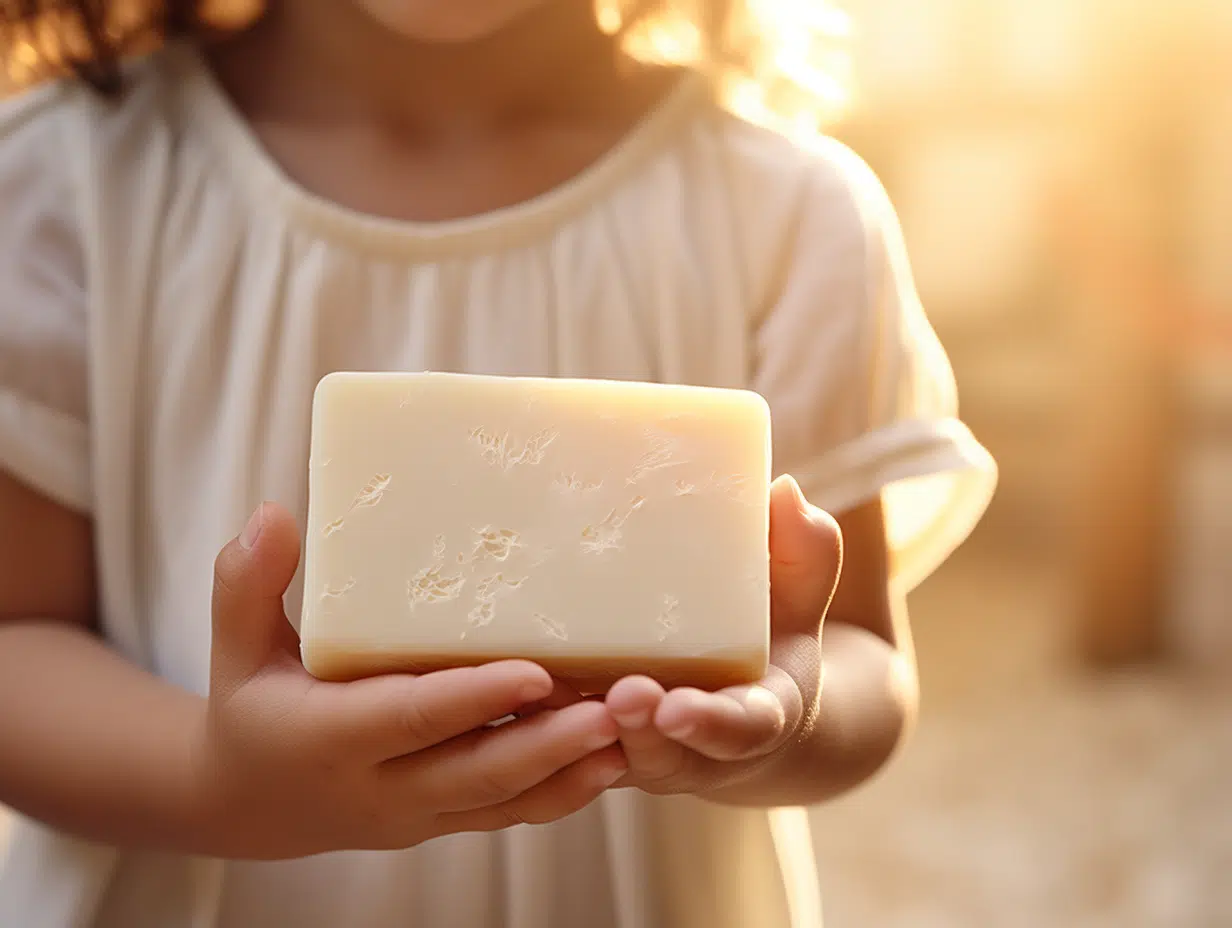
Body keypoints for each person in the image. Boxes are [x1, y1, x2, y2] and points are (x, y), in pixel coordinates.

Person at [0, 1, 996, 925]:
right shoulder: (59, 185)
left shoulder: (789, 212)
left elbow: (858, 653)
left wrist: (782, 717)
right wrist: (217, 779)